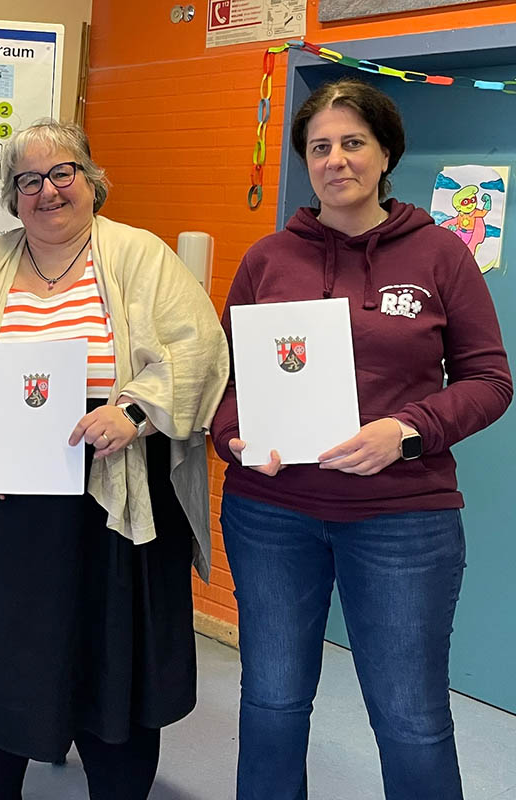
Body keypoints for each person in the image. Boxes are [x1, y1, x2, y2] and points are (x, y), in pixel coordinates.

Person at [0, 119, 229, 800]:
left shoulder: (141, 257)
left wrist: (134, 410)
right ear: (12, 194)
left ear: (91, 181)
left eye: (63, 173)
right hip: (2, 503)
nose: (48, 190)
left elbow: (197, 349)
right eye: (29, 179)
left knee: (114, 665)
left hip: (111, 498)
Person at [212, 79, 512, 800]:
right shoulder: (267, 259)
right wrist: (235, 440)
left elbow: (490, 380)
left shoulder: (441, 254)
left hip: (404, 518)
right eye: (320, 147)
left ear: (385, 154)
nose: (336, 160)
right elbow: (227, 384)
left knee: (410, 717)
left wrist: (407, 431)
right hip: (271, 512)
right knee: (273, 702)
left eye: (353, 143)